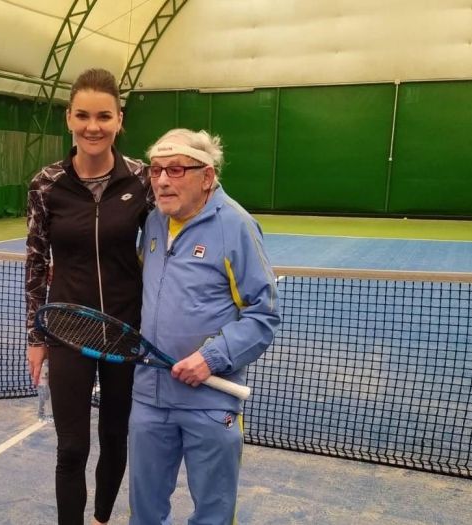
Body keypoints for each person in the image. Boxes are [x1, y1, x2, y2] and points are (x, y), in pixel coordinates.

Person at [128, 128, 281, 524]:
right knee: (144, 513)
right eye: (156, 170)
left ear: (207, 176)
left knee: (213, 514)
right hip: (148, 398)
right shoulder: (154, 223)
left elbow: (262, 315)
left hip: (210, 402)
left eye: (176, 170)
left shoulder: (237, 226)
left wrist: (210, 358)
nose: (162, 180)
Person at [25, 68, 152, 525]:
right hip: (66, 332)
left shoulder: (143, 180)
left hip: (124, 329)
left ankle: (101, 519)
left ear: (119, 120)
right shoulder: (45, 184)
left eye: (103, 116)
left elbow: (166, 250)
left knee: (115, 437)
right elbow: (36, 261)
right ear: (68, 118)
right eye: (82, 116)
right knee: (72, 447)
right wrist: (35, 336)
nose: (92, 126)